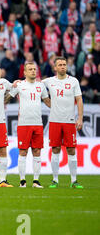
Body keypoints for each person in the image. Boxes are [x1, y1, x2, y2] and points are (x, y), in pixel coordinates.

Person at [5, 62, 51, 188]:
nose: (33, 71)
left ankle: (36, 181)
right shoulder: (20, 85)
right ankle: (22, 181)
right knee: (23, 151)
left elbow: (47, 101)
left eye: (34, 69)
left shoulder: (40, 86)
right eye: (30, 69)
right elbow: (7, 98)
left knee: (37, 151)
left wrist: (59, 109)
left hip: (37, 123)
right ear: (24, 72)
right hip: (24, 124)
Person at [43, 57, 84, 189]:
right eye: (60, 65)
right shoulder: (49, 81)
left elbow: (79, 100)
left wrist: (80, 118)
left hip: (69, 121)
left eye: (64, 65)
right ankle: (55, 180)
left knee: (71, 149)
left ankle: (74, 180)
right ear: (55, 68)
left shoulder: (73, 81)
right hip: (55, 121)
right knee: (55, 149)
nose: (62, 67)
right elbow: (34, 85)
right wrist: (19, 82)